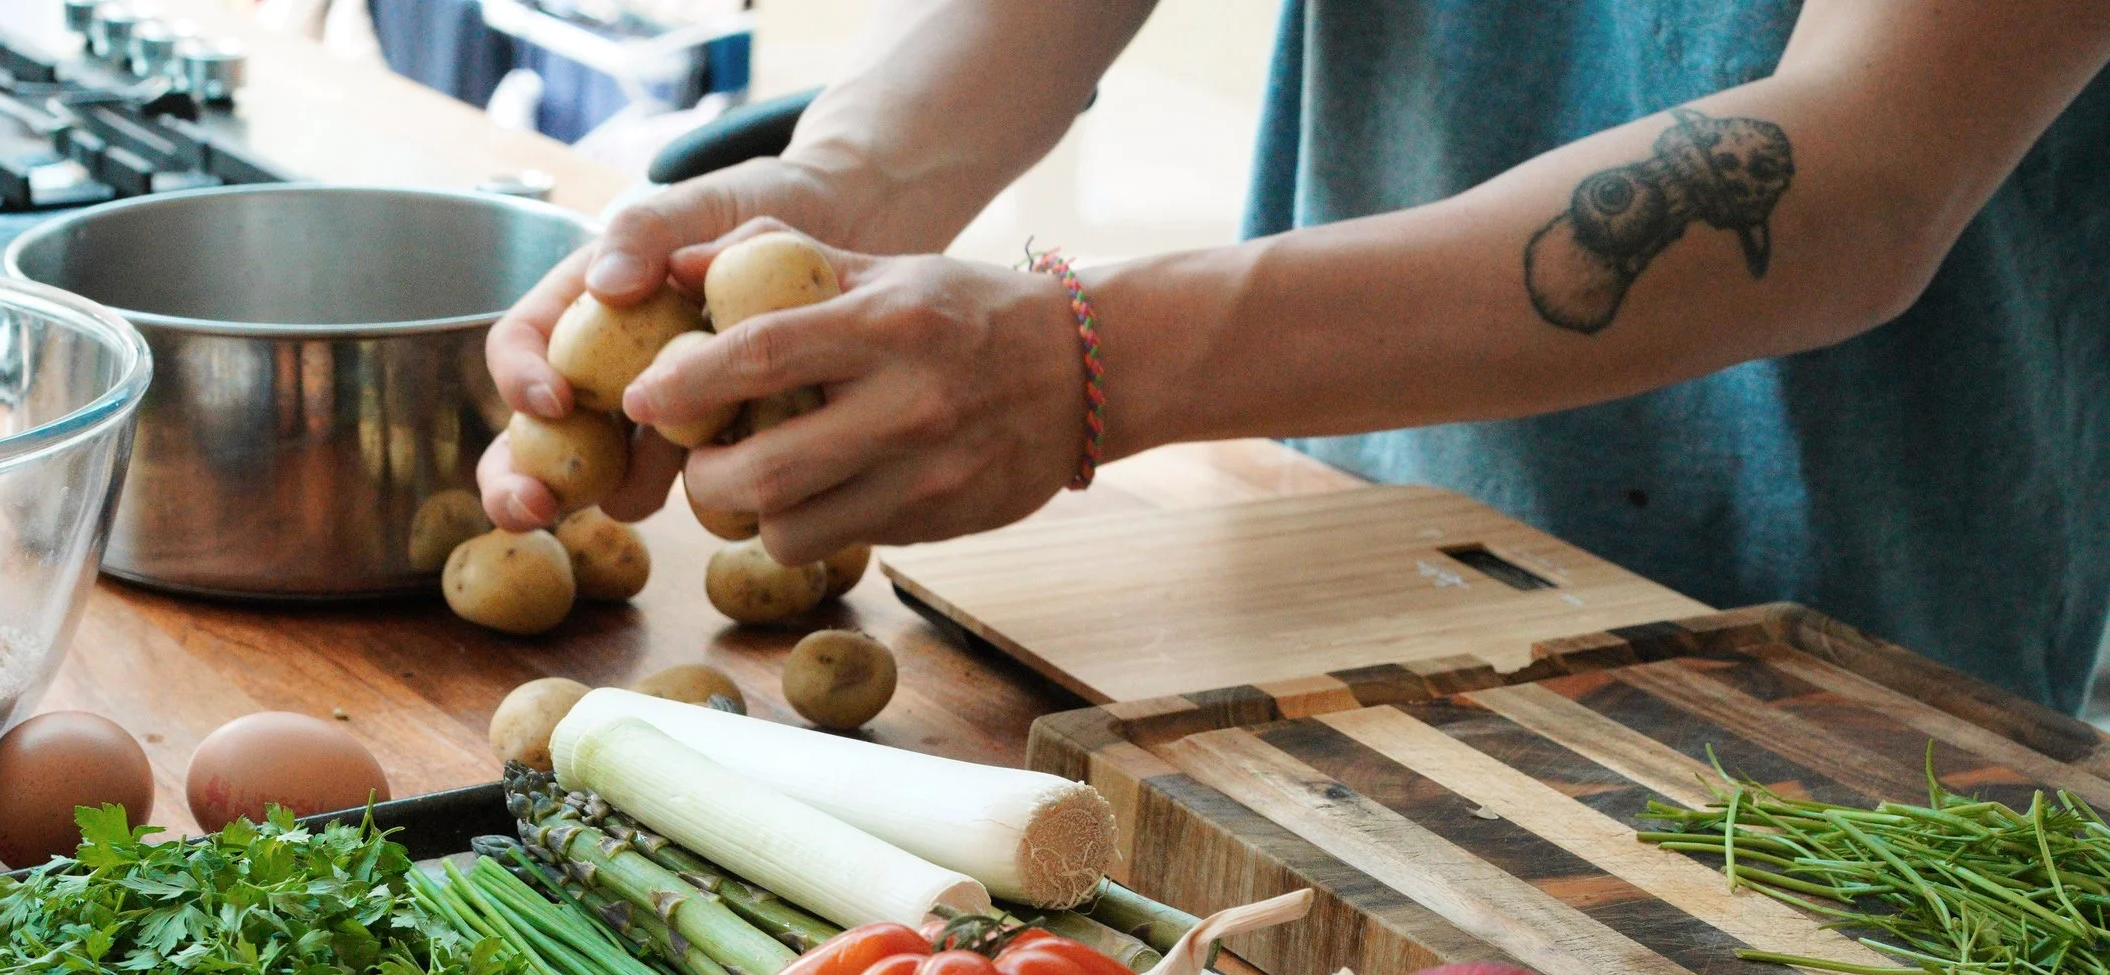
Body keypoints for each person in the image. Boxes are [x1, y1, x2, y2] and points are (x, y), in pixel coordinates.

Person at [480, 1, 2110, 713]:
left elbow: (1865, 171)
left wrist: (1094, 357)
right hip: (1338, 563)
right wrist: (832, 187)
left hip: (1837, 665)